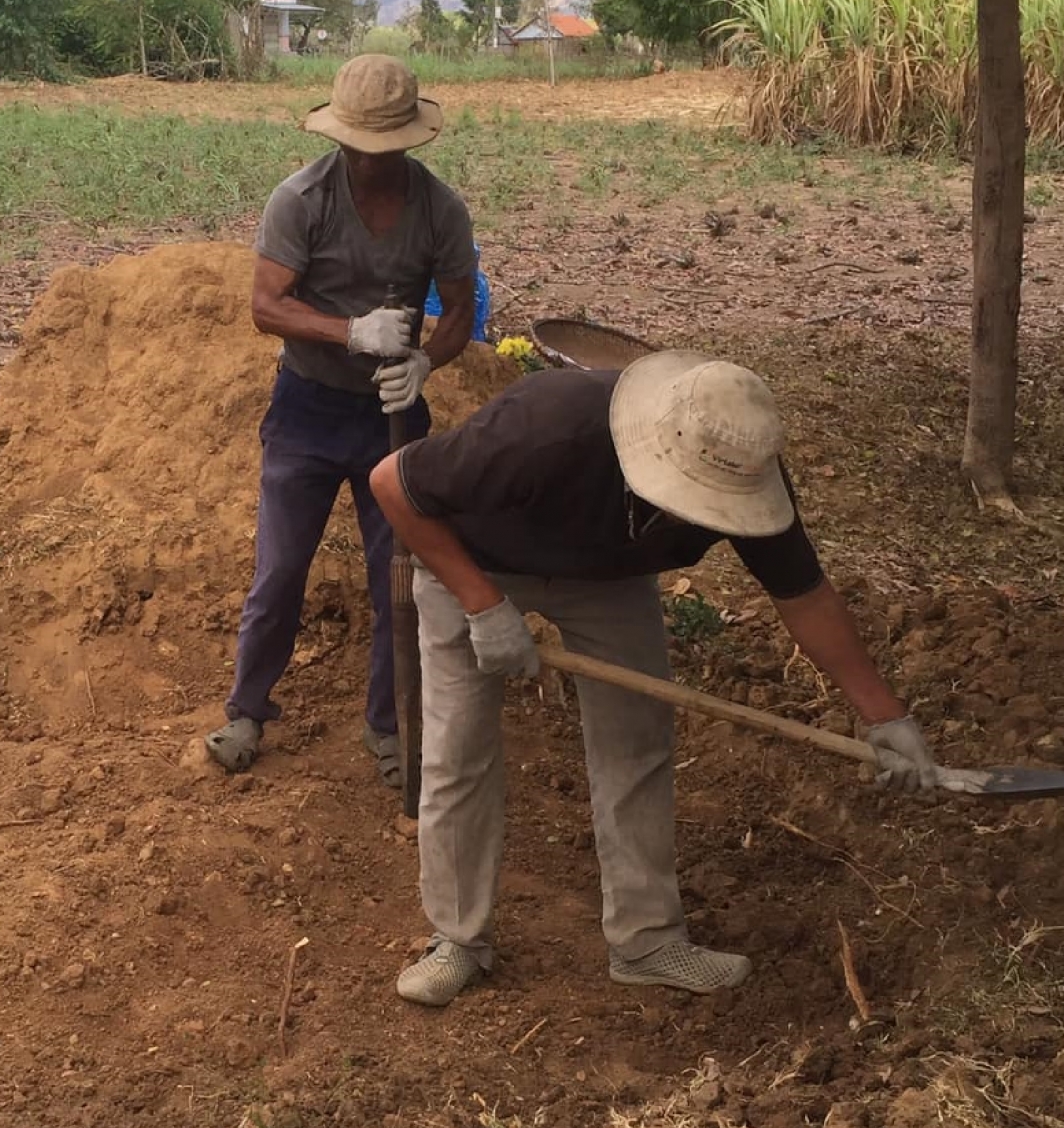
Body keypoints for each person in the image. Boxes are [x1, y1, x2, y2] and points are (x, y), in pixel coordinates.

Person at [367, 352, 948, 1007]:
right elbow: (394, 484)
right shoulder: (546, 427)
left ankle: (646, 942)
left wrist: (885, 716)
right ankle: (457, 940)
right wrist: (482, 604)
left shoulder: (741, 460)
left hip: (610, 578)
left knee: (636, 742)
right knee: (458, 747)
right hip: (472, 561)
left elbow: (806, 597)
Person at [205, 54, 477, 789]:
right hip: (307, 408)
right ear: (341, 136)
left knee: (400, 574)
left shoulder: (439, 210)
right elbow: (267, 307)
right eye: (362, 145)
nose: (374, 160)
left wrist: (426, 362)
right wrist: (351, 332)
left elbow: (459, 310)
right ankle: (248, 709)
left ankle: (388, 724)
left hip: (392, 416)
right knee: (281, 568)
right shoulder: (300, 200)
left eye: (388, 147)